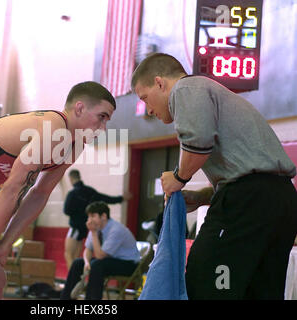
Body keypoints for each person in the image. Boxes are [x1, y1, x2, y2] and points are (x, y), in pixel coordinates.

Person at [131, 52, 297, 299]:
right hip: (281, 201)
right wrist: (200, 196)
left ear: (159, 83)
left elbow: (198, 143)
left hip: (248, 202)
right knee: (260, 291)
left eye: (145, 98)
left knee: (205, 282)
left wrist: (178, 177)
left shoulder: (186, 88)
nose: (149, 109)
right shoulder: (218, 96)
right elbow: (249, 173)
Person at [0, 81, 117, 300]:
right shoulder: (53, 127)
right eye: (101, 117)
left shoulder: (75, 144)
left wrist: (4, 245)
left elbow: (40, 194)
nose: (103, 128)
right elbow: (12, 189)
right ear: (79, 108)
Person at [60, 201, 140, 300]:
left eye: (93, 216)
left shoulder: (116, 229)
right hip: (110, 260)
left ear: (103, 216)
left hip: (129, 265)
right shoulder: (96, 227)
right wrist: (86, 262)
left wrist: (93, 233)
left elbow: (100, 256)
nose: (89, 220)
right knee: (77, 263)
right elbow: (88, 249)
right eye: (88, 217)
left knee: (97, 265)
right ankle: (66, 298)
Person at [63, 169, 130, 270]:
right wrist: (121, 198)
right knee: (76, 257)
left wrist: (77, 212)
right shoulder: (90, 191)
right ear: (79, 177)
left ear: (71, 179)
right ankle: (78, 280)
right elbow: (105, 198)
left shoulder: (72, 194)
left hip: (75, 227)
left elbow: (66, 211)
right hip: (84, 228)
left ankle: (72, 280)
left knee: (68, 255)